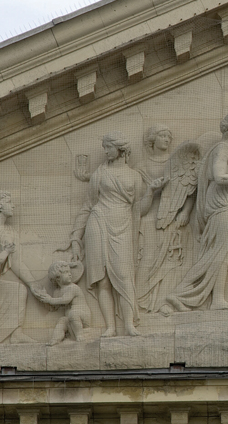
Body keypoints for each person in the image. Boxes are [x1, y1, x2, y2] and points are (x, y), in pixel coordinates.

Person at [166, 111, 228, 312]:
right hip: (222, 205)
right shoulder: (222, 149)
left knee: (221, 253)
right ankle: (180, 293)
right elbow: (218, 176)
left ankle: (216, 298)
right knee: (217, 253)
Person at [69, 132, 161, 337]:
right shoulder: (99, 174)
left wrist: (151, 193)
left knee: (124, 275)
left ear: (121, 150)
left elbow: (139, 209)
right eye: (105, 147)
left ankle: (128, 324)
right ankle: (110, 326)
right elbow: (87, 206)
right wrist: (76, 238)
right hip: (98, 222)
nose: (105, 151)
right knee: (102, 280)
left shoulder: (134, 176)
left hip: (123, 225)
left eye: (109, 147)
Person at [136, 124, 197, 314]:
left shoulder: (178, 162)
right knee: (148, 260)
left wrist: (186, 212)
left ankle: (164, 302)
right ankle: (141, 301)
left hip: (175, 218)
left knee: (173, 261)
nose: (167, 139)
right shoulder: (141, 167)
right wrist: (151, 190)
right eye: (162, 135)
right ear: (152, 140)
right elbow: (136, 203)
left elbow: (191, 192)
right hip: (151, 218)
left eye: (168, 136)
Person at [0, 191, 39, 343]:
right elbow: (7, 256)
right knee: (16, 290)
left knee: (19, 290)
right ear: (0, 205)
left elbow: (15, 262)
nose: (13, 205)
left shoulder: (8, 231)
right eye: (9, 202)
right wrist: (5, 252)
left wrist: (33, 284)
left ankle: (16, 334)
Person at [33, 261, 91, 345]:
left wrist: (50, 299)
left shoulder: (73, 288)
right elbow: (53, 308)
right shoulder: (57, 292)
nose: (70, 274)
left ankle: (79, 335)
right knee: (62, 321)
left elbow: (65, 300)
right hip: (70, 319)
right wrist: (44, 297)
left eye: (69, 272)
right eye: (66, 272)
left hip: (82, 316)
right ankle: (55, 339)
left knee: (73, 314)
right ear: (57, 277)